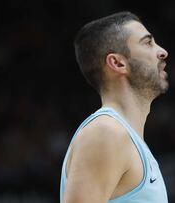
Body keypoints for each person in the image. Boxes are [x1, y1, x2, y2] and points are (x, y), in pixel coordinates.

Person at [60, 11, 169, 203]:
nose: (162, 51)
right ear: (118, 63)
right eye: (147, 43)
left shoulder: (125, 138)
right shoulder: (106, 132)